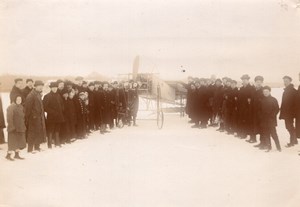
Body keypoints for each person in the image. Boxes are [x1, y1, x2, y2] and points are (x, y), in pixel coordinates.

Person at [24, 80, 47, 153]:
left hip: (39, 117)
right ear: (35, 86)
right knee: (32, 133)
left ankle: (37, 147)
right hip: (33, 118)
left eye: (42, 86)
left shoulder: (38, 94)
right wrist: (28, 118)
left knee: (38, 132)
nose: (41, 88)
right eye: (39, 86)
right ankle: (30, 149)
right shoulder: (31, 95)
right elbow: (27, 108)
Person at [43, 82, 65, 148]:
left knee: (57, 129)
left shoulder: (58, 95)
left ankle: (57, 143)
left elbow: (62, 104)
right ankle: (49, 144)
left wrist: (62, 109)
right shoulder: (47, 96)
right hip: (51, 117)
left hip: (59, 116)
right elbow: (45, 107)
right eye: (53, 88)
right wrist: (53, 112)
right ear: (51, 88)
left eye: (55, 87)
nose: (55, 89)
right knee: (50, 130)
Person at [260, 86, 281, 152]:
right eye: (264, 92)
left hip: (271, 120)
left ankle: (278, 147)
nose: (265, 93)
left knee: (273, 134)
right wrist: (261, 116)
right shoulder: (262, 100)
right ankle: (269, 147)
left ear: (269, 91)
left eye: (267, 91)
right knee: (266, 134)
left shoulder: (273, 99)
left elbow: (277, 109)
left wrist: (272, 115)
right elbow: (259, 110)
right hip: (264, 120)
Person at [6, 95, 27, 161]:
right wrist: (12, 127)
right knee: (12, 142)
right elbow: (9, 118)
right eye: (18, 99)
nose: (19, 101)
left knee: (19, 142)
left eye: (20, 99)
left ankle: (17, 154)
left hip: (20, 128)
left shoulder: (21, 107)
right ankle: (8, 155)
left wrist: (23, 126)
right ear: (15, 99)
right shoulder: (11, 107)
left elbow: (22, 118)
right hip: (13, 128)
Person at [279, 76, 298, 148]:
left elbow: (295, 103)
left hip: (290, 113)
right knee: (289, 127)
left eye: (286, 81)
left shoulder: (293, 90)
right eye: (284, 81)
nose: (285, 82)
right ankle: (294, 140)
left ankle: (292, 141)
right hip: (287, 113)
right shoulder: (286, 90)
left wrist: (293, 112)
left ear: (290, 81)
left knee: (289, 127)